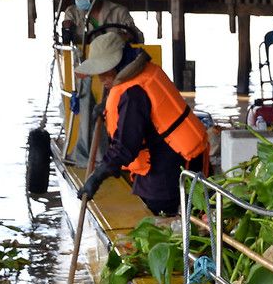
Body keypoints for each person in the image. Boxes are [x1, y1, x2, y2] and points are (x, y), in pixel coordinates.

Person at [75, 31, 209, 217]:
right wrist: (106, 108)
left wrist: (96, 178)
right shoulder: (144, 71)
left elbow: (125, 149)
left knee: (160, 218)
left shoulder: (132, 93)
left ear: (117, 64)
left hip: (172, 164)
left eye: (104, 72)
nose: (101, 79)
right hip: (182, 154)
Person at [61, 0, 140, 166]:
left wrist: (123, 37)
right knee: (86, 95)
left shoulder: (118, 12)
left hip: (116, 68)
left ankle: (123, 149)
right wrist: (67, 29)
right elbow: (69, 43)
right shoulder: (73, 13)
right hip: (87, 67)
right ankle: (90, 154)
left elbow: (137, 36)